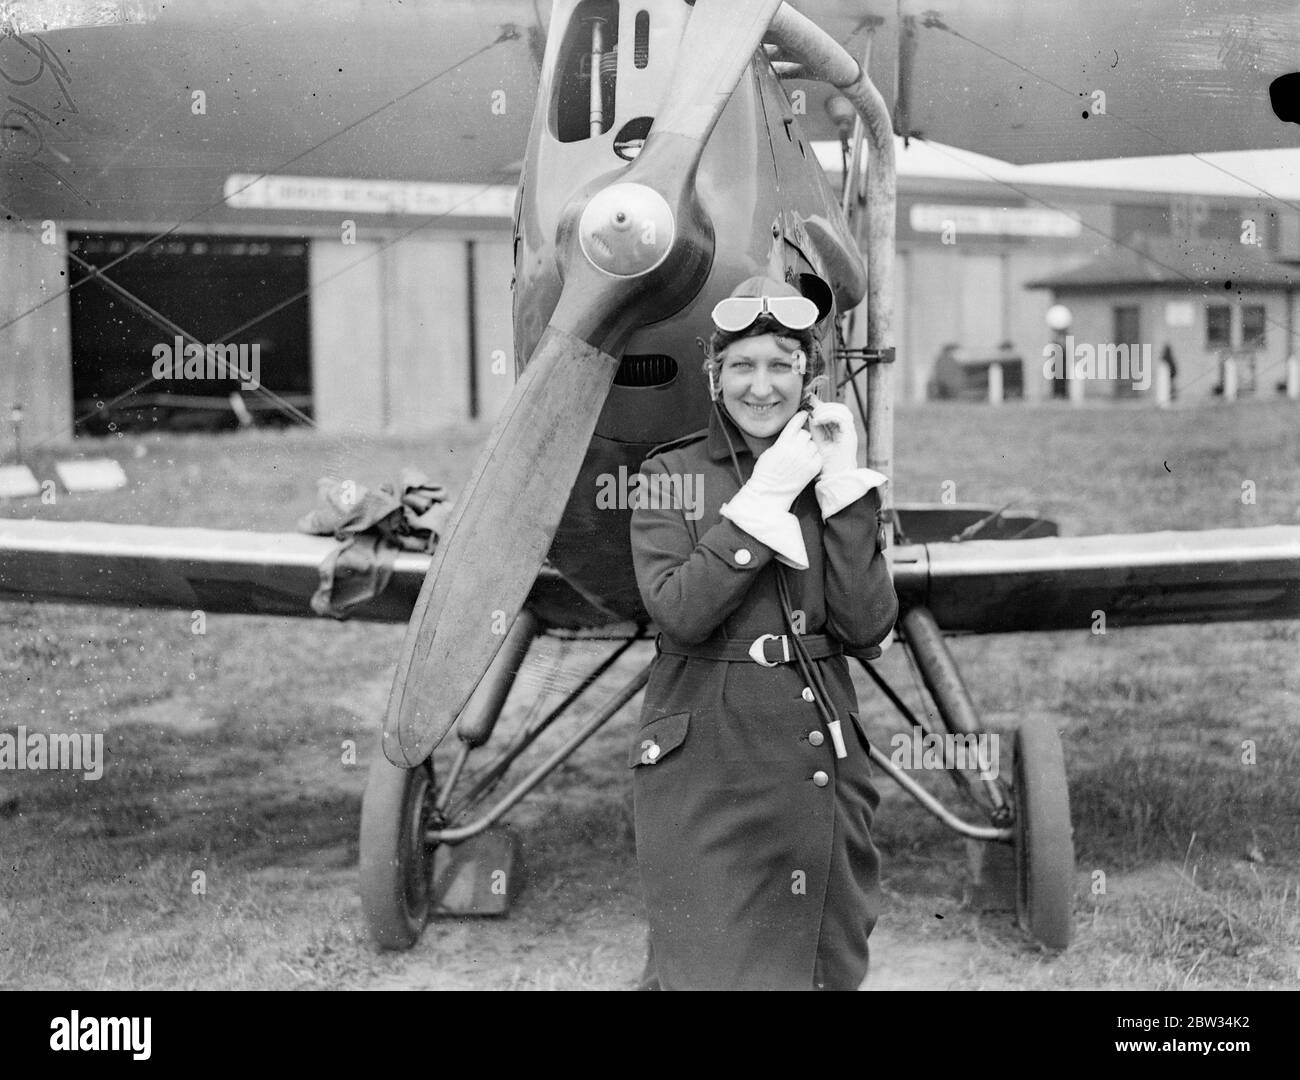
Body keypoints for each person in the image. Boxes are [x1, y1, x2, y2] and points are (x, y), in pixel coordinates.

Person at [628, 275, 898, 990]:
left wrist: (842, 490)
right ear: (715, 378)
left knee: (820, 964)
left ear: (809, 375)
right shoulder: (667, 476)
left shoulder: (832, 475)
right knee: (706, 961)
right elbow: (680, 612)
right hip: (707, 759)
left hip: (815, 750)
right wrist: (761, 503)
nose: (761, 386)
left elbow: (867, 627)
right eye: (742, 366)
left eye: (782, 364)